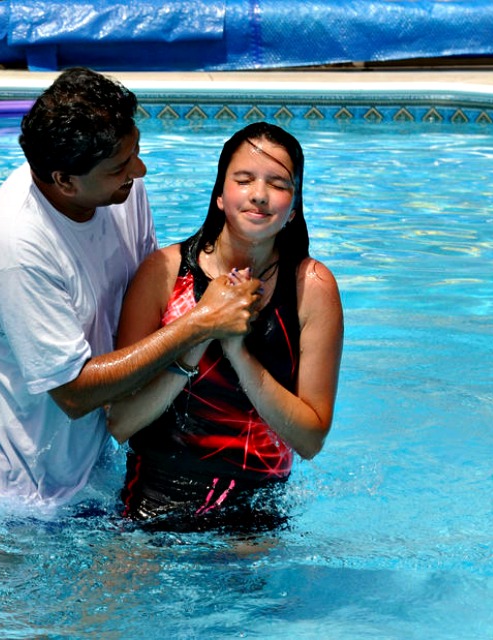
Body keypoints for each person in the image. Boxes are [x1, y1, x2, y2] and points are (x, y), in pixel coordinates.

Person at [0, 67, 262, 506]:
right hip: (16, 482)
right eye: (122, 166)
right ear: (64, 180)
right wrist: (200, 323)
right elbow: (74, 393)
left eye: (135, 151)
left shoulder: (118, 186)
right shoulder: (16, 248)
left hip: (94, 455)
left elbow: (149, 289)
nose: (140, 168)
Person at [107, 122, 344, 531]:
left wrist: (237, 351)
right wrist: (198, 332)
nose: (259, 194)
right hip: (154, 498)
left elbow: (309, 440)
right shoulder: (164, 274)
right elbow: (121, 423)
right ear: (219, 195)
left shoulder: (311, 287)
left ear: (294, 206)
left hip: (257, 510)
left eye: (278, 183)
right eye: (244, 179)